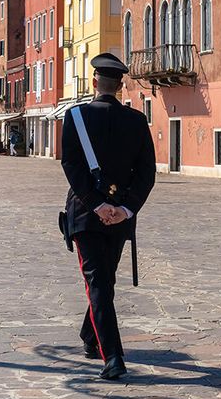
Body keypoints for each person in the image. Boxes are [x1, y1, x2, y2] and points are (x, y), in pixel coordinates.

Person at [61, 53, 155, 381]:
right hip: (120, 217)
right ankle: (91, 335)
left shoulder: (76, 117)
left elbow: (71, 165)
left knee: (99, 284)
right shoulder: (137, 120)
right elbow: (146, 173)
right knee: (105, 280)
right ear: (121, 85)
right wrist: (125, 208)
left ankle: (112, 356)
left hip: (87, 215)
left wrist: (96, 205)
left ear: (94, 82)